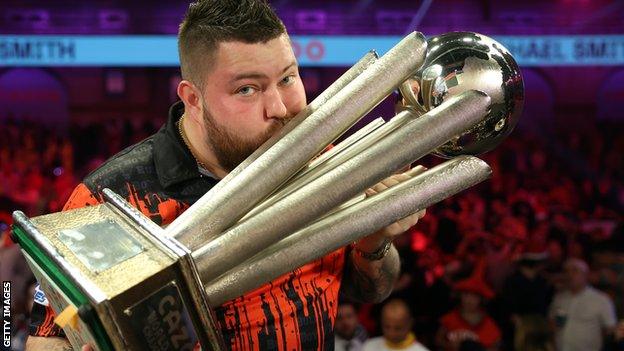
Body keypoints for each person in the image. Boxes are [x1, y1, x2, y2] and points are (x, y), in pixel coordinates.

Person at [24, 1, 425, 350]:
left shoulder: (324, 162)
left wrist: (375, 241)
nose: (281, 108)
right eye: (248, 90)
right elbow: (46, 336)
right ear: (193, 100)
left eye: (287, 78)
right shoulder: (107, 199)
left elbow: (370, 289)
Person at [548, 258, 617, 351]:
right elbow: (551, 322)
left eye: (574, 271)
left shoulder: (601, 300)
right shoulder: (559, 298)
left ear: (585, 275)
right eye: (566, 271)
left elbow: (610, 329)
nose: (570, 275)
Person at [436, 261, 502, 351]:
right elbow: (438, 341)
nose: (469, 300)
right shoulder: (449, 319)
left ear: (481, 300)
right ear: (460, 296)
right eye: (466, 294)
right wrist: (449, 346)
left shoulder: (490, 327)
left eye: (474, 296)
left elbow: (496, 346)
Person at [363, 299, 429, 351]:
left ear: (410, 323)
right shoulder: (369, 346)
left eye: (398, 328)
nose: (391, 333)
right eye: (387, 327)